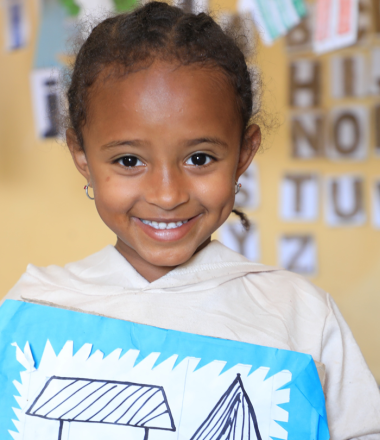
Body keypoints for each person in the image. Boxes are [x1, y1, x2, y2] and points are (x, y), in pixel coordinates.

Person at [3, 2, 380, 438]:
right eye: (129, 160)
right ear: (82, 156)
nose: (168, 195)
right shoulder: (34, 310)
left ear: (243, 154)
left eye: (199, 158)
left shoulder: (299, 317)